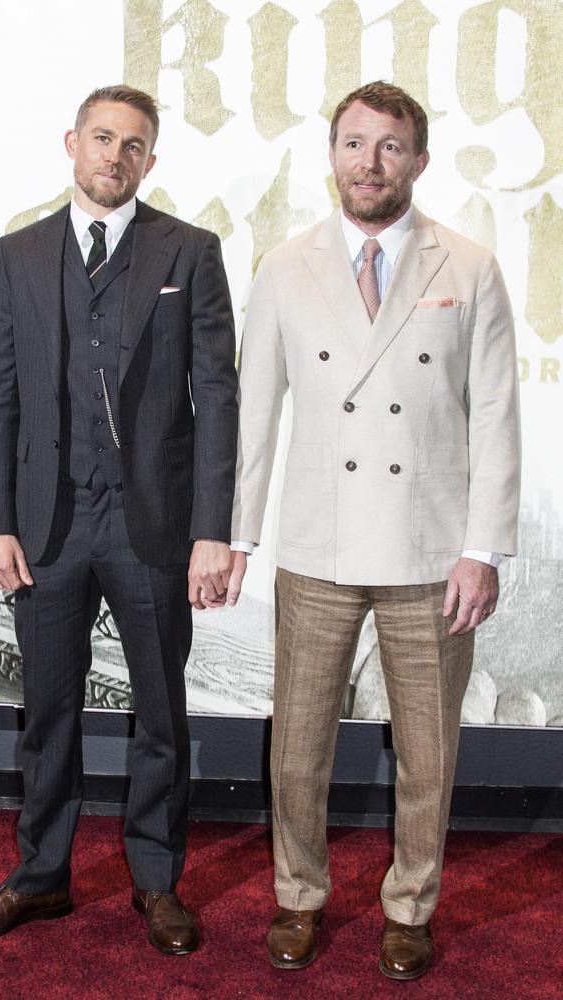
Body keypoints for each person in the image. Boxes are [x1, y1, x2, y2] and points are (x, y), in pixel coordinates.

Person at [228, 81, 520, 979]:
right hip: (318, 544)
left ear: (419, 162)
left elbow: (497, 416)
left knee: (429, 754)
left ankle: (410, 906)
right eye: (354, 143)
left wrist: (483, 549)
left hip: (432, 553)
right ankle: (298, 896)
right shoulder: (285, 264)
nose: (369, 162)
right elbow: (254, 415)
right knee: (299, 745)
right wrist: (236, 538)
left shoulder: (466, 266)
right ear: (332, 155)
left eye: (389, 146)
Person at [0, 85, 238, 954]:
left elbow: (217, 398)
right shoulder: (20, 254)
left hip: (153, 526)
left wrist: (212, 529)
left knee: (161, 715)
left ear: (151, 160)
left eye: (134, 145)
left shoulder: (191, 251)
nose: (116, 156)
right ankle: (40, 878)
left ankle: (156, 880)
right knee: (47, 713)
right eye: (103, 138)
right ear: (72, 143)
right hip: (46, 527)